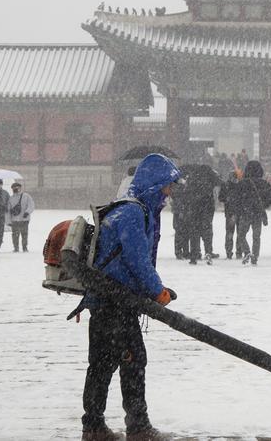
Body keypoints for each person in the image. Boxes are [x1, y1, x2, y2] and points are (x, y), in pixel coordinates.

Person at [80, 153, 181, 441]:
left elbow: (135, 261)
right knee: (133, 361)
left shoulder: (134, 210)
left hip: (108, 300)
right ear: (154, 184)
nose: (169, 192)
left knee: (102, 363)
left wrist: (155, 289)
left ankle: (94, 426)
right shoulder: (132, 213)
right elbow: (137, 260)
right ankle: (137, 427)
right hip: (115, 303)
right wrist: (156, 291)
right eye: (167, 185)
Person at [229, 160, 271, 265]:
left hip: (246, 213)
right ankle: (255, 257)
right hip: (258, 213)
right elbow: (269, 198)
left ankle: (247, 251)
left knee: (241, 235)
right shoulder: (264, 183)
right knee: (256, 237)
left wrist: (237, 212)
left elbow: (236, 199)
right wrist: (263, 206)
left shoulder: (242, 183)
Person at [218, 167, 242, 259]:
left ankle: (229, 252)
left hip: (230, 212)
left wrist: (226, 199)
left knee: (230, 233)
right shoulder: (241, 185)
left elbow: (220, 198)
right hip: (238, 212)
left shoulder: (225, 185)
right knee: (239, 234)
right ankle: (238, 252)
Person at [7, 181, 35, 252]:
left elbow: (31, 205)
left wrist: (27, 212)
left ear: (20, 188)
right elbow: (8, 211)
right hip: (15, 220)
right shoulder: (11, 198)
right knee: (15, 235)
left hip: (24, 219)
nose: (16, 189)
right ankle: (16, 247)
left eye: (18, 187)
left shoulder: (26, 196)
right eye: (14, 188)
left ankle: (24, 247)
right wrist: (8, 221)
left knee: (24, 234)